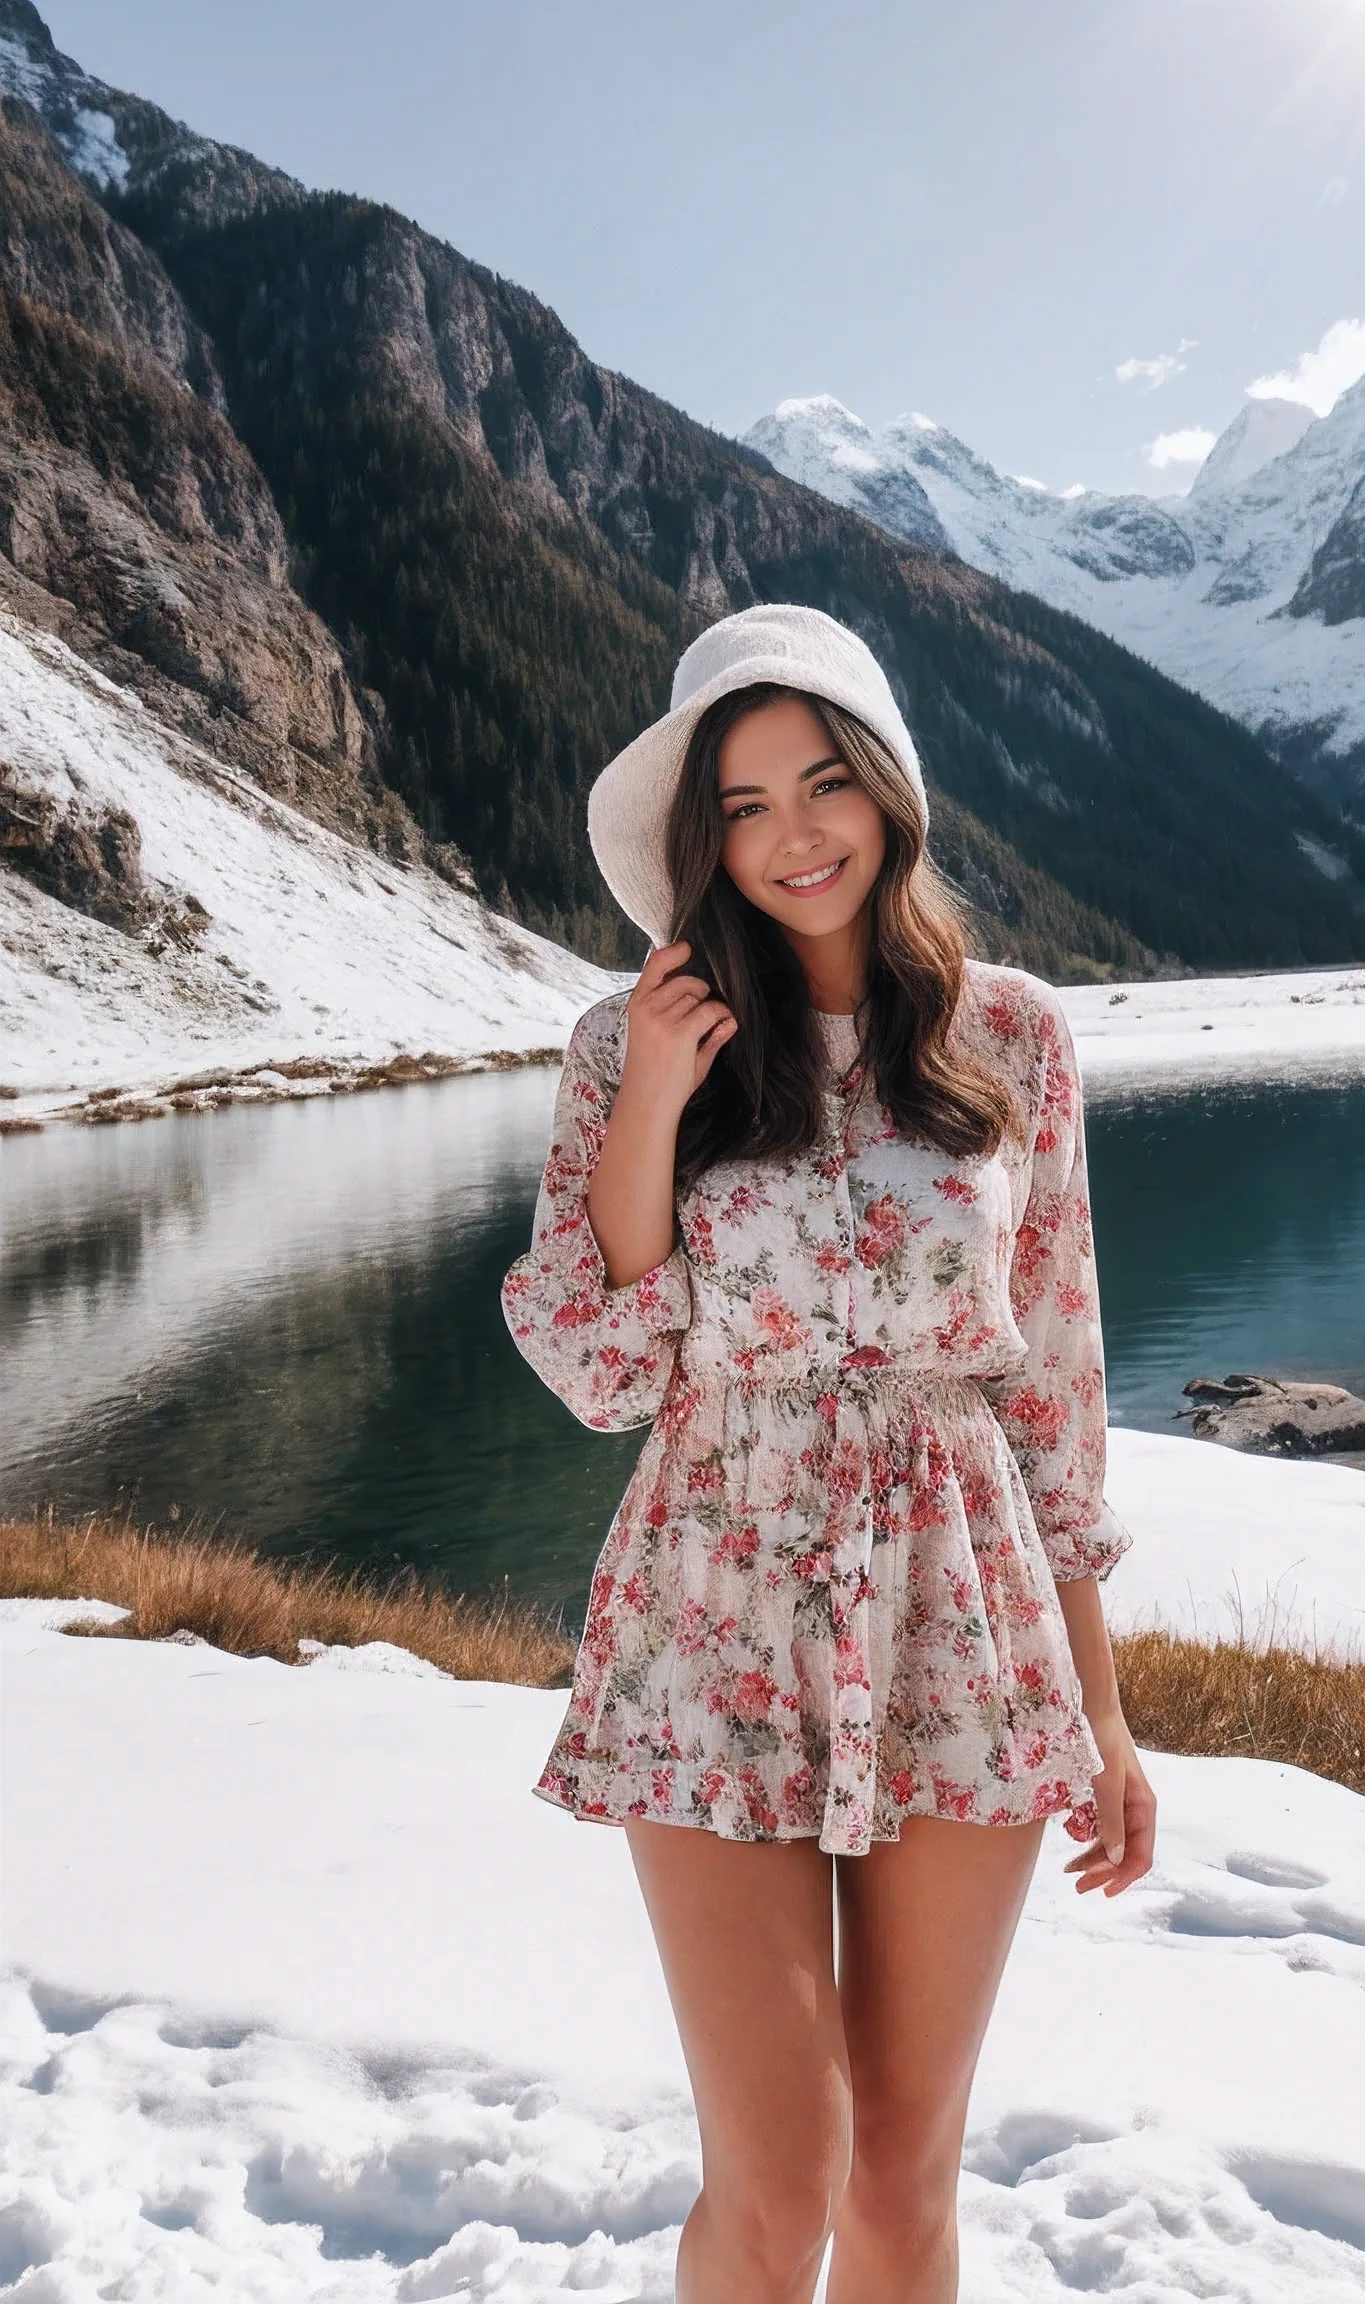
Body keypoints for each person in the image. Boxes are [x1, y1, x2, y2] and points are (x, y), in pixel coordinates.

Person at [502, 603, 1156, 2304]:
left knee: (901, 2178)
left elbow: (1056, 1396)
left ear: (888, 791)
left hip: (967, 1609)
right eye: (741, 804)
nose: (793, 835)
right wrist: (651, 1092)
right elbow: (592, 1360)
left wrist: (1106, 1716)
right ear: (700, 839)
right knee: (779, 2177)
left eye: (822, 784)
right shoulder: (624, 1044)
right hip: (713, 1604)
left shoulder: (1012, 1037)